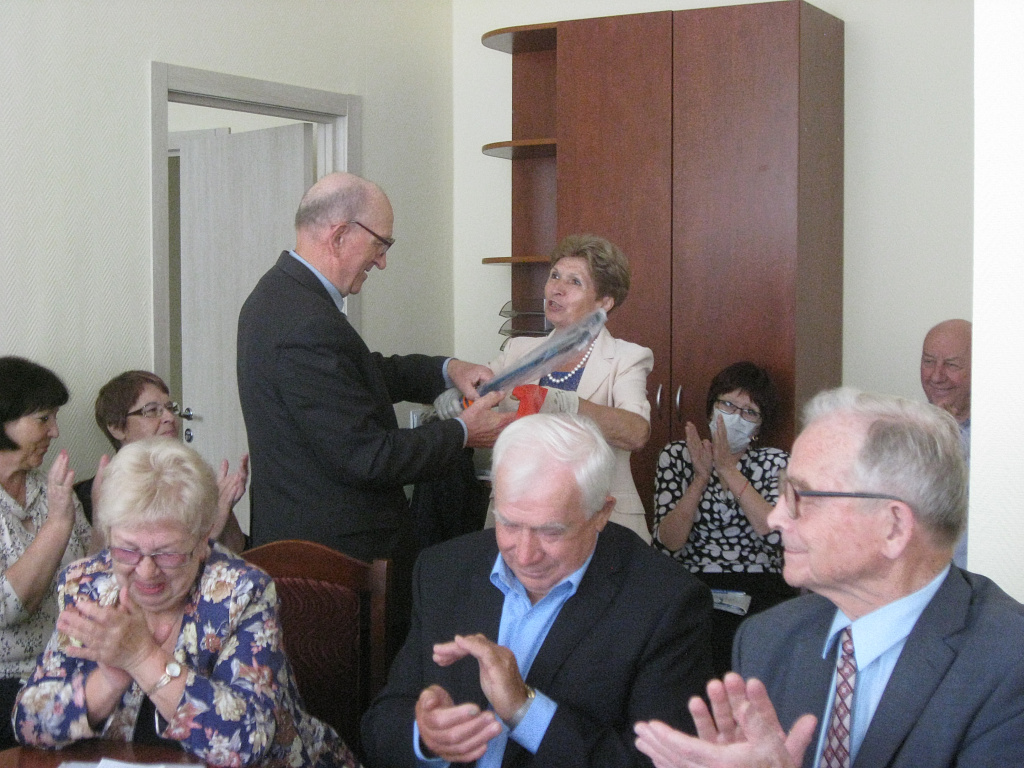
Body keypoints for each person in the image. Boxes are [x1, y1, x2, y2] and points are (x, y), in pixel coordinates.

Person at [634, 388, 1024, 768]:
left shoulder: (1009, 663)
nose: (776, 518)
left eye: (801, 497)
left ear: (893, 527)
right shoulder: (768, 639)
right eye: (783, 492)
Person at [361, 413, 713, 768]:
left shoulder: (666, 603)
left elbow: (659, 764)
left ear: (601, 513)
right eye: (509, 524)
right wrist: (425, 737)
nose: (525, 555)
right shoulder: (444, 569)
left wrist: (526, 712)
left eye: (551, 531)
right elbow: (380, 725)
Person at [14, 437, 360, 767]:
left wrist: (142, 658)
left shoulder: (241, 592)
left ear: (202, 541)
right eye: (127, 550)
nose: (146, 571)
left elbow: (246, 743)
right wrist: (107, 684)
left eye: (167, 554)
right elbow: (28, 722)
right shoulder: (87, 585)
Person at [237, 171, 511, 563]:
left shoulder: (280, 295)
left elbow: (358, 374)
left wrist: (448, 369)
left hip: (314, 541)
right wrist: (463, 432)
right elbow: (368, 457)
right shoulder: (303, 321)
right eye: (380, 245)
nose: (382, 262)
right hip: (335, 559)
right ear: (339, 236)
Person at [485, 234, 654, 542]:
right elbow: (479, 396)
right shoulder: (517, 350)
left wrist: (563, 404)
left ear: (604, 302)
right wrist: (457, 392)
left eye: (574, 282)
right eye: (555, 276)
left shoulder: (627, 357)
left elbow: (636, 432)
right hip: (519, 516)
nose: (557, 288)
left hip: (601, 520)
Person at [652, 362, 795, 676]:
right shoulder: (677, 456)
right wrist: (700, 479)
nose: (736, 416)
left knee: (741, 640)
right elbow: (669, 543)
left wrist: (728, 469)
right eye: (728, 405)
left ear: (760, 426)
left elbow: (775, 533)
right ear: (711, 408)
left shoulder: (775, 462)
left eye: (749, 412)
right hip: (692, 582)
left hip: (758, 583)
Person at [0, 356, 93, 750]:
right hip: (8, 681)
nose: (55, 431)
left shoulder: (50, 488)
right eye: (43, 418)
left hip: (72, 669)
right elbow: (7, 609)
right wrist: (56, 527)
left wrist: (105, 520)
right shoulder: (58, 504)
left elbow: (92, 580)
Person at [74, 370, 246, 552]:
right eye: (152, 411)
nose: (170, 418)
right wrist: (213, 528)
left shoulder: (192, 479)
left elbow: (237, 550)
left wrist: (223, 506)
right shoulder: (100, 493)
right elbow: (137, 562)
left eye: (170, 408)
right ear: (117, 428)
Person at [920, 318, 972, 566]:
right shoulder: (905, 430)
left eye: (951, 365)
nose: (937, 376)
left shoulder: (1001, 439)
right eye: (928, 362)